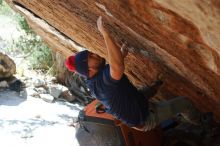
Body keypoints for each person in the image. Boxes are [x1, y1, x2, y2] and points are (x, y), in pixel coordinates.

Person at [65, 16, 207, 131]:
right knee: (184, 103)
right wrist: (105, 34)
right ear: (89, 70)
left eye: (91, 53)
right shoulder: (102, 84)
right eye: (91, 57)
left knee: (145, 90)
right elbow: (117, 67)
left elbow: (115, 67)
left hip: (135, 104)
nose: (95, 54)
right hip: (145, 119)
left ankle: (155, 87)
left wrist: (120, 54)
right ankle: (201, 122)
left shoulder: (95, 79)